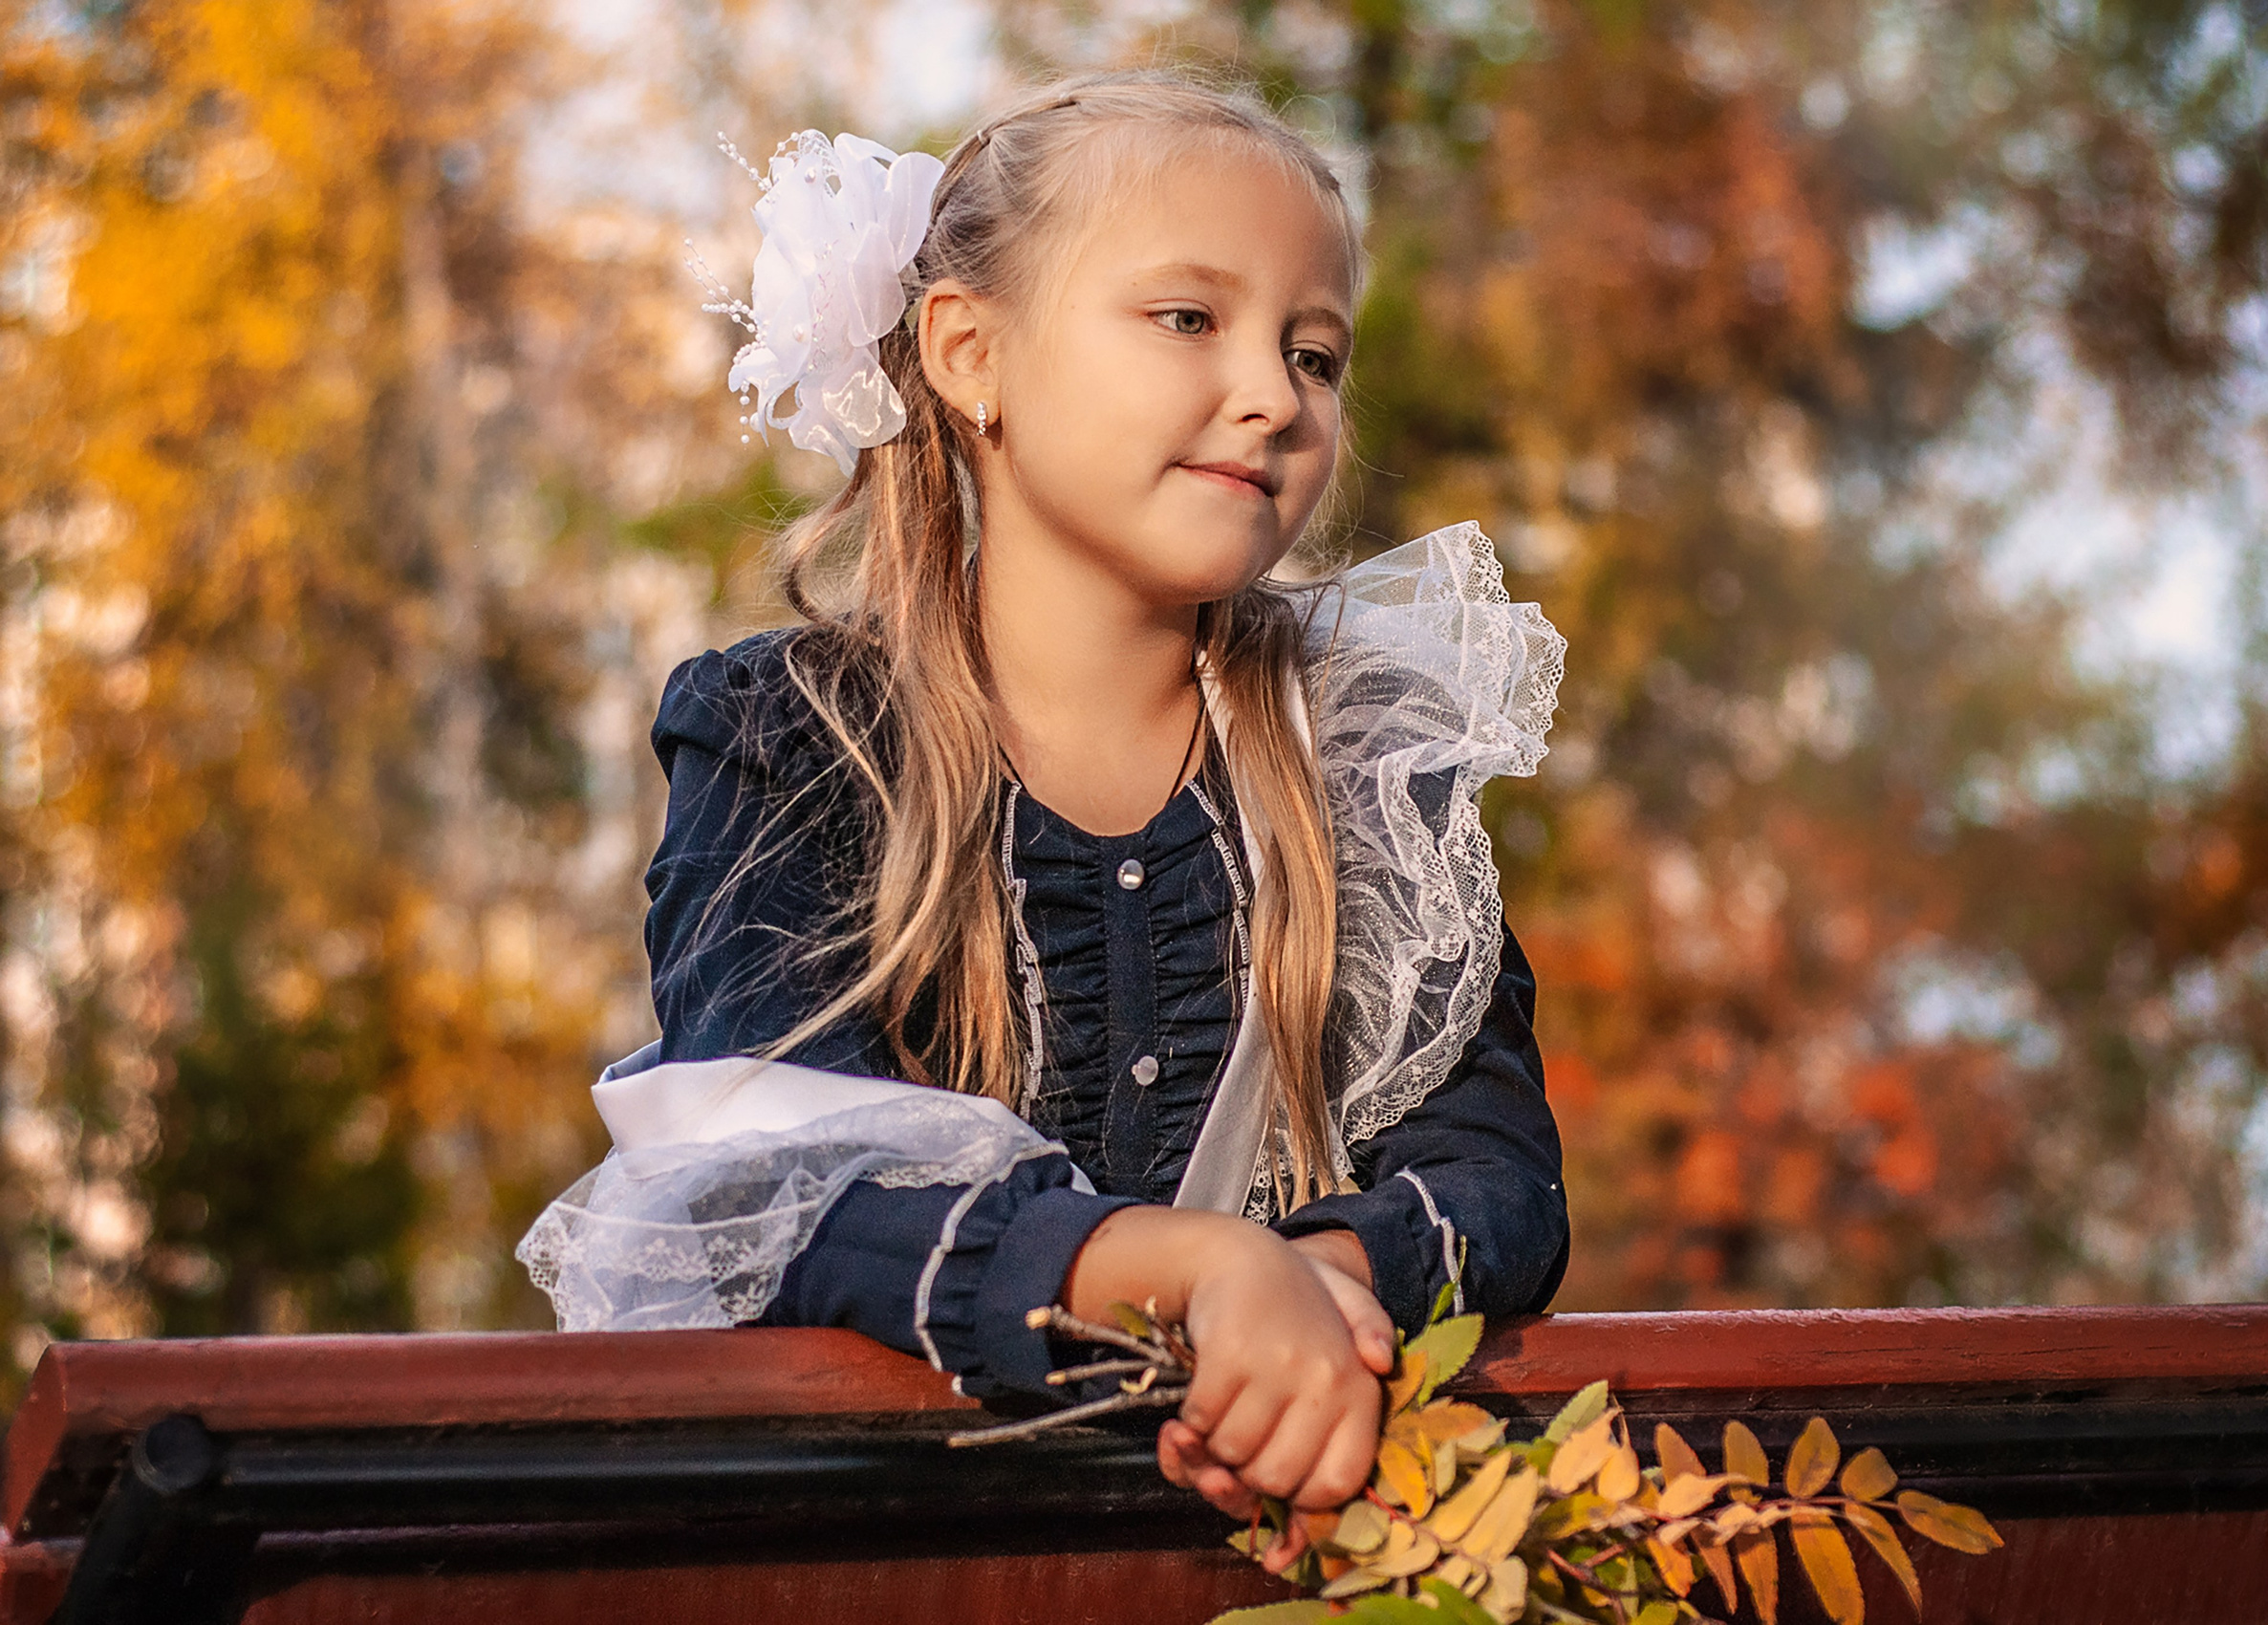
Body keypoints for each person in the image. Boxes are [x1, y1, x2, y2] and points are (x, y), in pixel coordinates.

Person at [517, 67, 1569, 1551]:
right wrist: (1185, 1273)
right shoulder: (791, 734)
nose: (1273, 393)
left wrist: (1330, 1277)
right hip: (881, 1552)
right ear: (968, 353)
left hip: (1275, 1541)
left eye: (1316, 353)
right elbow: (782, 1185)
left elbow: (1496, 1171)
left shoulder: (1362, 761)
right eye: (1189, 319)